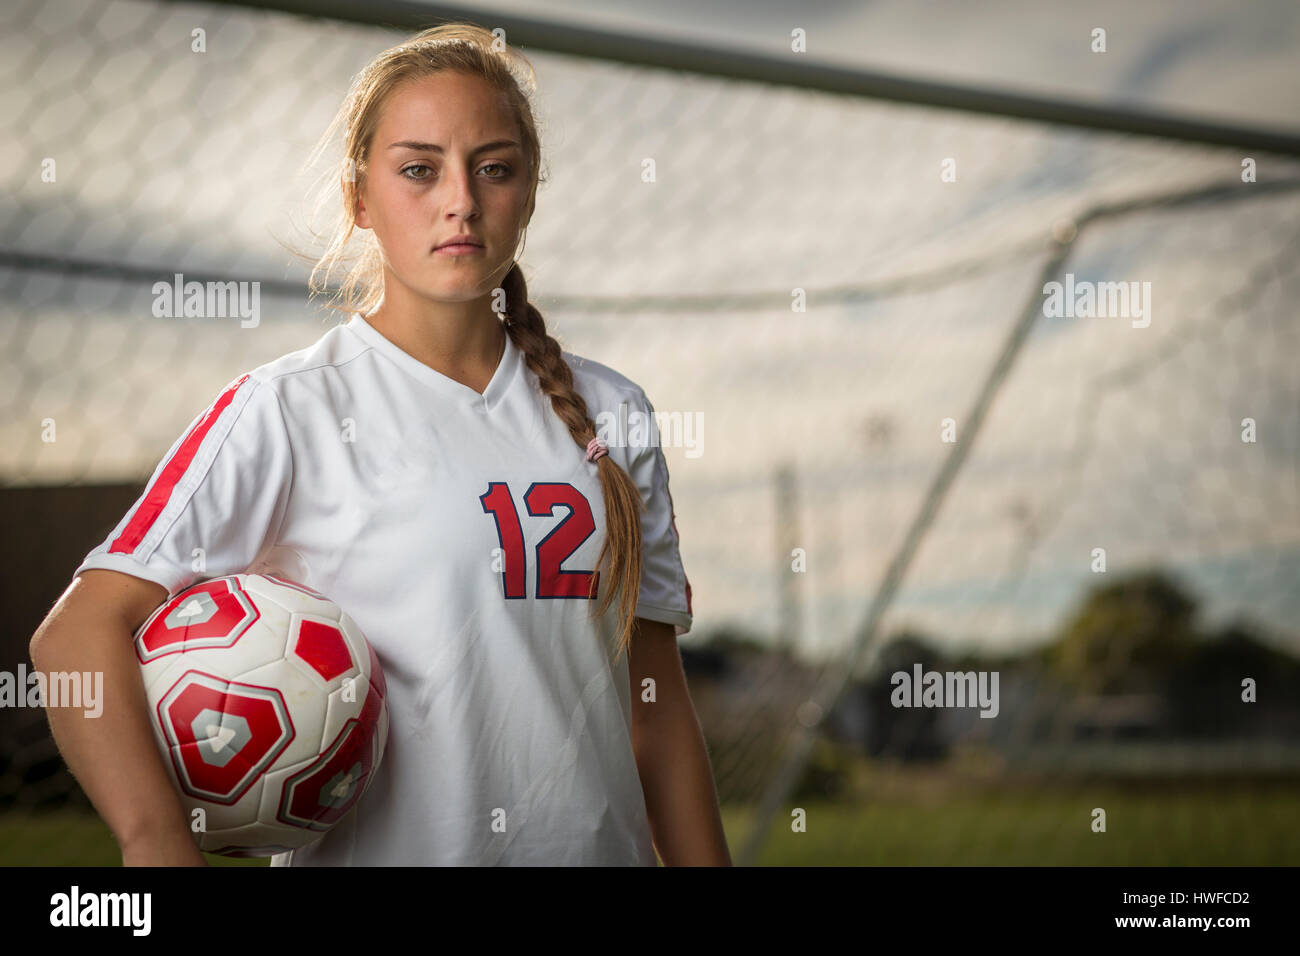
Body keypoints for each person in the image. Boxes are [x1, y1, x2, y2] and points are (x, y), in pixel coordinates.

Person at [30, 23, 731, 866]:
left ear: (531, 192)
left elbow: (653, 707)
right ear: (360, 197)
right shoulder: (288, 409)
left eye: (494, 167)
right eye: (418, 169)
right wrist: (155, 843)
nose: (460, 200)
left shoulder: (615, 411)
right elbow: (75, 637)